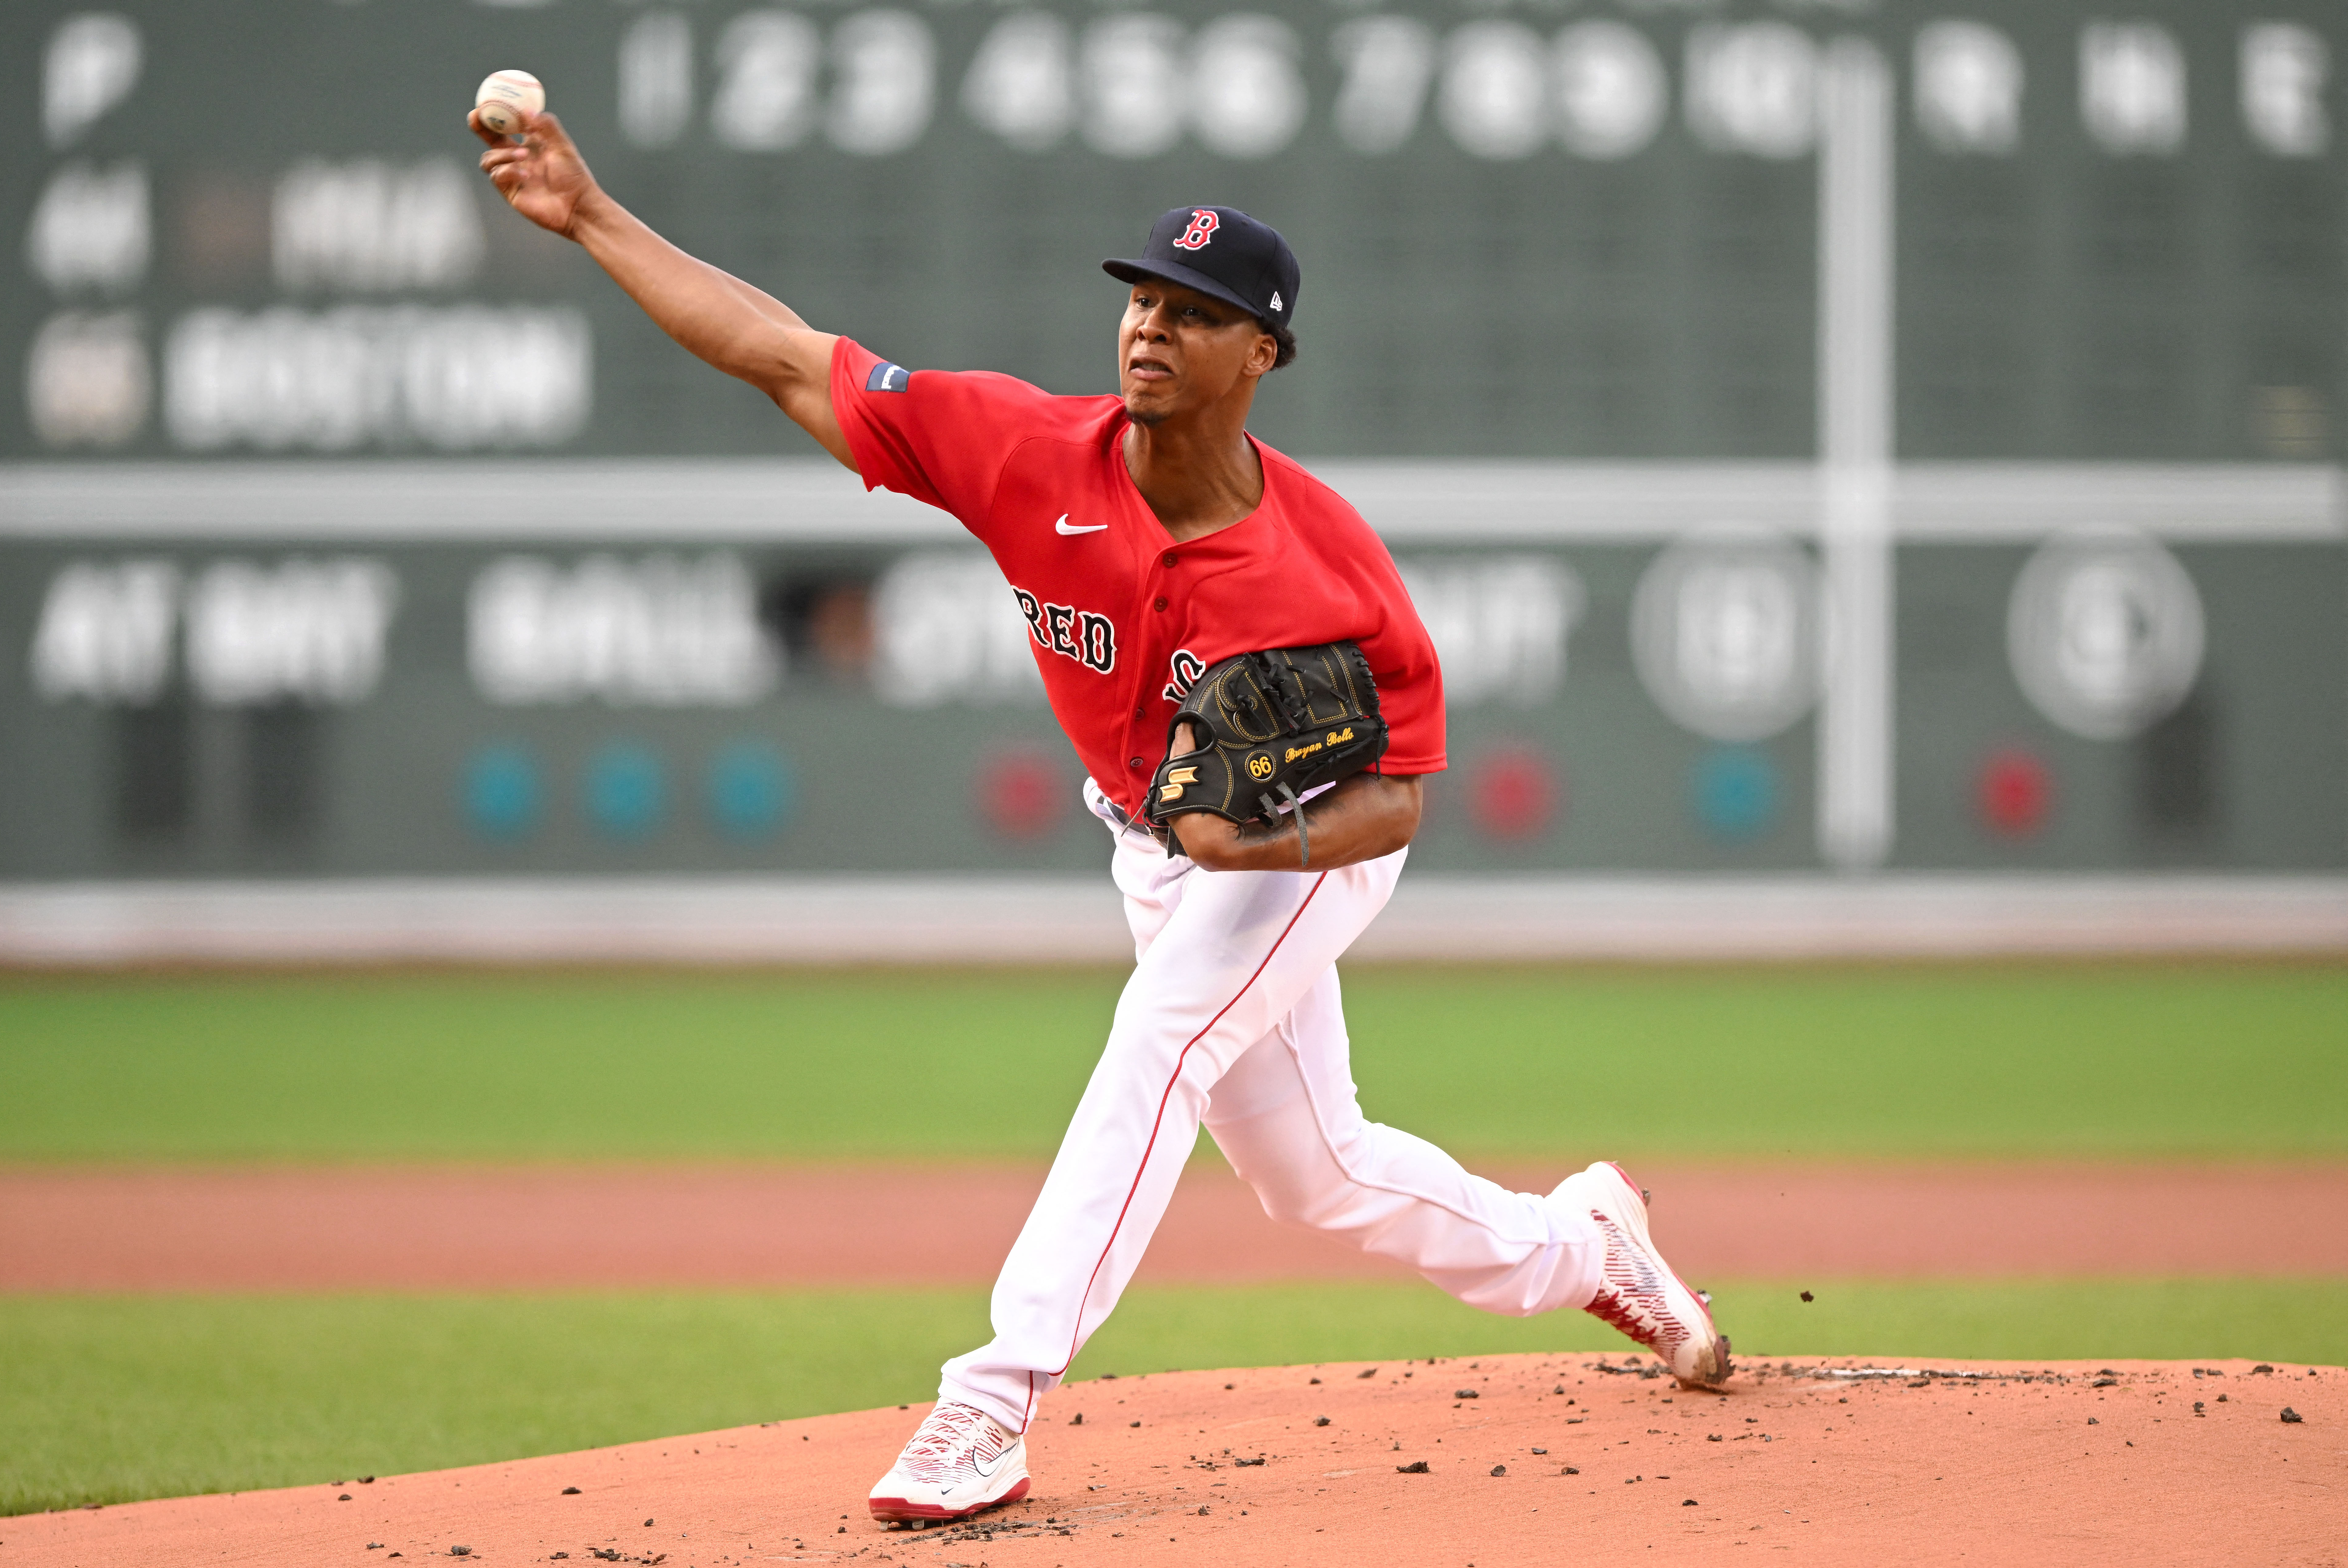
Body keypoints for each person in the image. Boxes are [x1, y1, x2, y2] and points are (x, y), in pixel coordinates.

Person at [472, 105, 1730, 1528]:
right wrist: (588, 216)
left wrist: (1263, 850)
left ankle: (990, 1402)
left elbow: (1400, 799)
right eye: (1139, 299)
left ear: (1260, 355)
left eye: (1192, 315)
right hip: (1158, 845)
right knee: (1315, 1176)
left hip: (1301, 848)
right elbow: (777, 352)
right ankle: (1583, 1247)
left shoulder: (1328, 568)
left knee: (1161, 1034)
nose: (1148, 330)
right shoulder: (1021, 452)